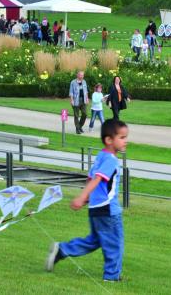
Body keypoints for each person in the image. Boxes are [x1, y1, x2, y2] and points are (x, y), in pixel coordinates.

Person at [46, 119, 128, 281]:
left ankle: (62, 250)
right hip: (108, 210)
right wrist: (82, 197)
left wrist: (87, 198)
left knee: (94, 240)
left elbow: (89, 179)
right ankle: (111, 277)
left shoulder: (101, 156)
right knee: (114, 243)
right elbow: (97, 179)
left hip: (96, 209)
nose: (126, 141)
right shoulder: (110, 160)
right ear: (109, 140)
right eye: (122, 138)